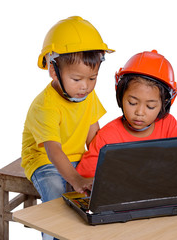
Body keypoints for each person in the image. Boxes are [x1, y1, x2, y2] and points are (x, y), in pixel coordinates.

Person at [21, 16, 114, 207]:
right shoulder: (45, 106)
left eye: (92, 78)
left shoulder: (88, 95)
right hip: (44, 162)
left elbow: (93, 134)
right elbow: (53, 151)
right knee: (55, 196)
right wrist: (76, 180)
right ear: (54, 71)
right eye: (77, 79)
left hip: (77, 158)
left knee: (107, 187)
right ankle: (52, 236)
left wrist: (108, 162)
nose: (85, 87)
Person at [76, 50, 177, 178]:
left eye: (150, 106)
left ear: (164, 104)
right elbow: (84, 177)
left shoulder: (168, 125)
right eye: (132, 103)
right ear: (121, 96)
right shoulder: (106, 137)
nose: (139, 112)